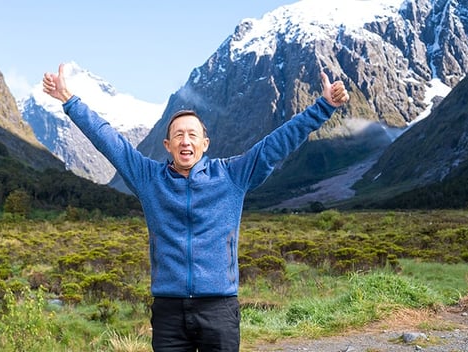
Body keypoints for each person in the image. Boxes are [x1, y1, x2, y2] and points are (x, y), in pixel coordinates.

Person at [42, 63, 349, 351]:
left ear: (205, 143)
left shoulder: (232, 175)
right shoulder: (148, 178)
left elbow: (277, 144)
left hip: (219, 308)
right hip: (168, 311)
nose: (185, 141)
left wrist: (324, 107)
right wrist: (68, 100)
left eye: (192, 135)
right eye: (178, 135)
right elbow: (108, 140)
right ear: (167, 145)